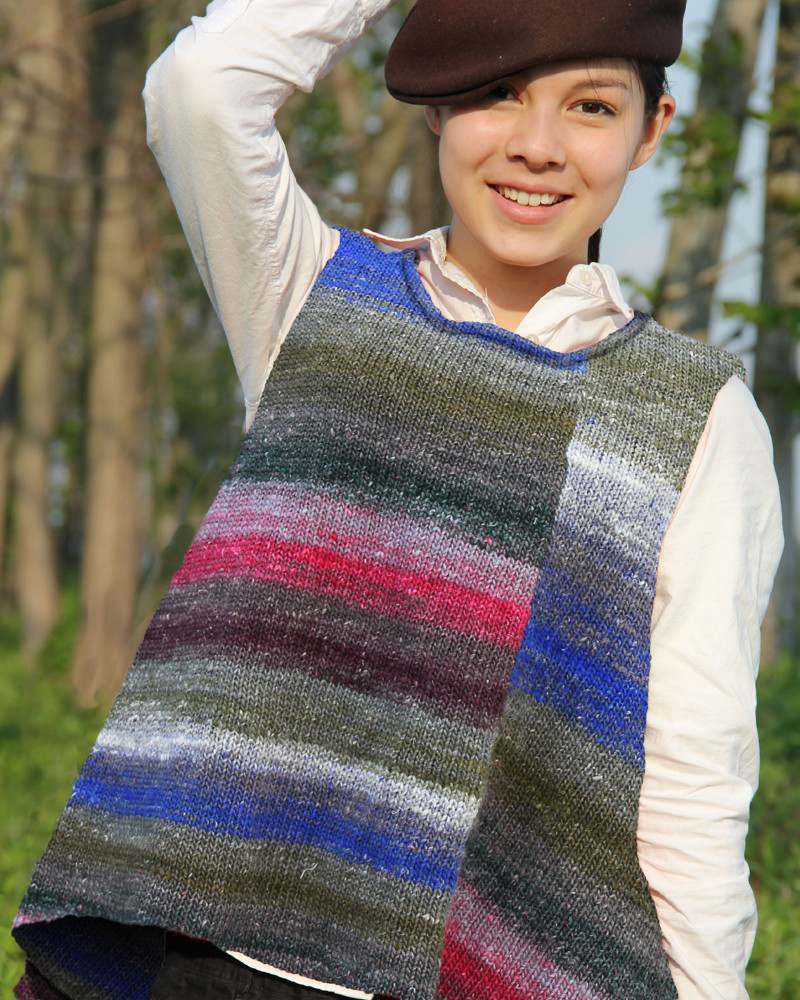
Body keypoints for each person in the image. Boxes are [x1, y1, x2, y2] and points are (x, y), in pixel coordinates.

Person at [11, 1, 784, 998]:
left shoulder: (695, 417)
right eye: (495, 91)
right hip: (190, 955)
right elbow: (201, 88)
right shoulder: (316, 297)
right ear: (436, 106)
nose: (537, 146)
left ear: (650, 131)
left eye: (590, 107)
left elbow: (693, 775)